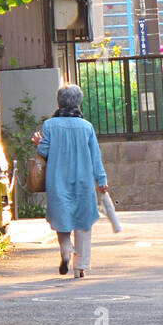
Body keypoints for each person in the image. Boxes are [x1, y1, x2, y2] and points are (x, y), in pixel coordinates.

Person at [31, 84, 108, 278]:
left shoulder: (50, 125)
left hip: (57, 181)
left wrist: (39, 143)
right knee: (83, 223)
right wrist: (101, 180)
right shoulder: (87, 127)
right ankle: (80, 267)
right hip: (83, 182)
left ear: (59, 101)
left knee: (61, 220)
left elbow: (44, 152)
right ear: (78, 102)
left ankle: (66, 250)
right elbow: (95, 157)